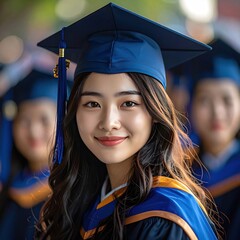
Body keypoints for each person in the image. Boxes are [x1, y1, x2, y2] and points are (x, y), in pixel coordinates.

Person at [36, 3, 218, 240]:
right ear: (73, 112)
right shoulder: (80, 202)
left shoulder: (165, 219)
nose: (109, 122)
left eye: (128, 103)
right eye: (92, 104)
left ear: (155, 112)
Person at [0, 68, 66, 239]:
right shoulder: (10, 190)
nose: (33, 131)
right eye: (24, 120)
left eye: (44, 120)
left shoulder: (71, 194)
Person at [186, 38, 240, 240]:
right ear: (190, 107)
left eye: (227, 100)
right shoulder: (177, 173)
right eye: (205, 100)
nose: (217, 112)